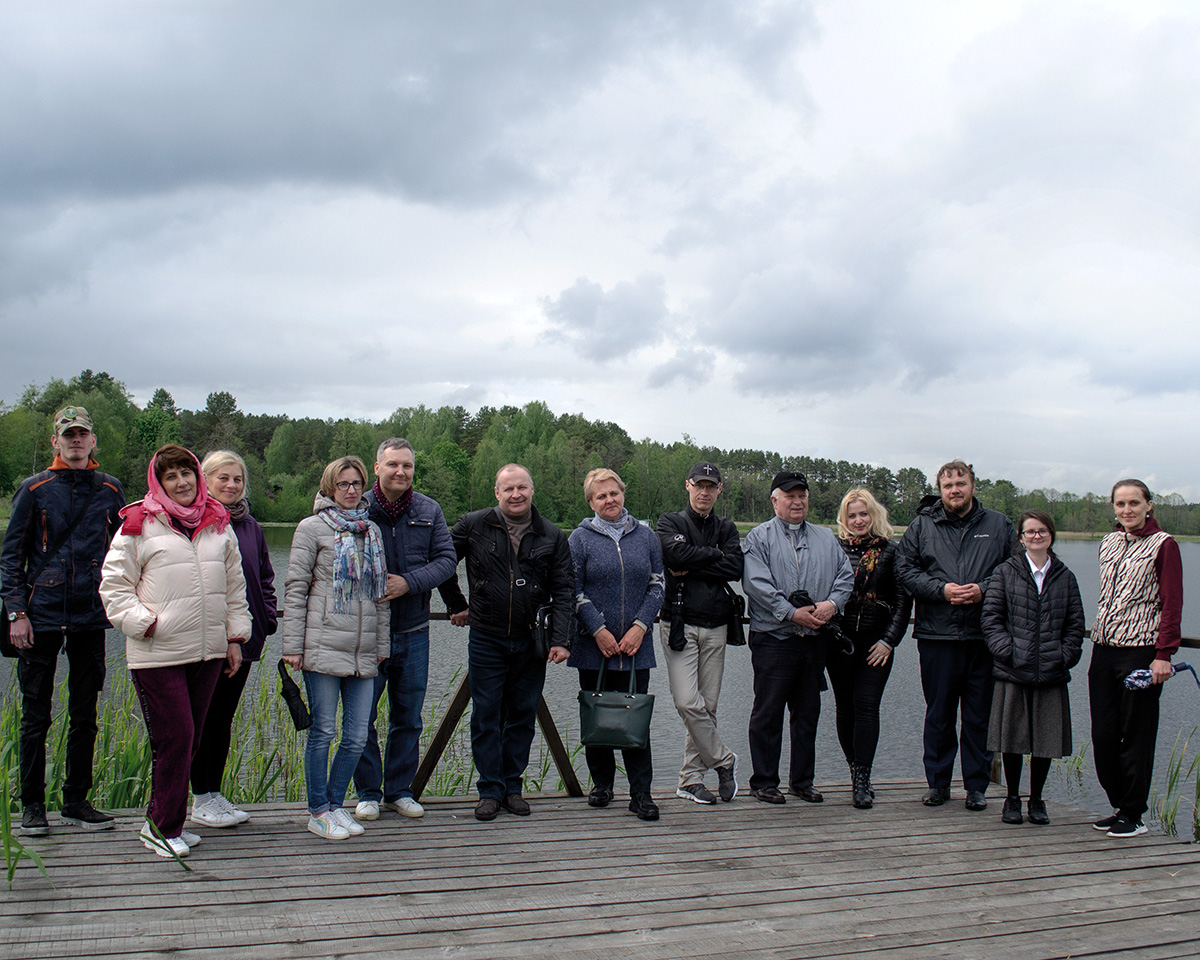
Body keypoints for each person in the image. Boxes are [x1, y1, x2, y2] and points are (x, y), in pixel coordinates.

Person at [100, 444, 250, 857]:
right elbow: (114, 587)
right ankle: (161, 828)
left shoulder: (218, 523)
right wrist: (146, 624)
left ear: (197, 476)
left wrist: (235, 638)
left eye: (187, 473)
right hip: (158, 654)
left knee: (193, 738)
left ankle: (170, 823)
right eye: (171, 476)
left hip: (207, 653)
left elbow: (235, 589)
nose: (182, 482)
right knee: (176, 738)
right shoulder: (138, 523)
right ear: (159, 482)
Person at [2, 406, 125, 837]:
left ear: (93, 441)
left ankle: (76, 799)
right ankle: (32, 805)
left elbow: (122, 556)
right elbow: (11, 558)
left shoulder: (110, 489)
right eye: (68, 435)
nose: (76, 441)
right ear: (56, 441)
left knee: (85, 712)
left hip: (91, 616)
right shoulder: (34, 489)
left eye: (82, 435)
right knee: (35, 716)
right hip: (41, 617)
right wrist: (17, 612)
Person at [438, 464, 572, 822]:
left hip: (533, 640)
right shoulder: (473, 525)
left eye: (522, 488)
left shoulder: (552, 536)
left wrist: (560, 638)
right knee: (485, 716)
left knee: (522, 716)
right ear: (496, 493)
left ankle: (513, 787)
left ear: (532, 491)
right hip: (487, 636)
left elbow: (564, 590)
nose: (516, 495)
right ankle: (489, 790)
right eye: (508, 488)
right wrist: (456, 603)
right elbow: (442, 561)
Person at [895, 460, 1015, 811]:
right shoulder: (922, 525)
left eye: (961, 483)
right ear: (941, 489)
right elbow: (905, 569)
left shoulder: (998, 524)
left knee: (979, 716)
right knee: (939, 714)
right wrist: (940, 590)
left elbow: (1014, 569)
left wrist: (984, 589)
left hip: (984, 635)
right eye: (948, 486)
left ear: (973, 485)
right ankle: (938, 784)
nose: (955, 490)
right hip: (937, 635)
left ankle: (976, 787)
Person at [281, 456, 390, 841]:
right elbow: (295, 589)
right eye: (343, 484)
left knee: (358, 735)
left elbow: (380, 596)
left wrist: (382, 644)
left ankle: (335, 804)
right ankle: (318, 810)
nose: (351, 490)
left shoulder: (371, 531)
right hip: (323, 645)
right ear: (329, 487)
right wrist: (293, 645)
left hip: (363, 651)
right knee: (324, 731)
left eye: (357, 483)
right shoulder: (311, 529)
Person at [352, 439, 457, 823]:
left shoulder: (429, 509)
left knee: (408, 717)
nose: (401, 472)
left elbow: (447, 560)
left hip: (413, 630)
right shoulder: (357, 508)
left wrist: (408, 583)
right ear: (376, 466)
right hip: (365, 634)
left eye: (408, 466)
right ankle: (367, 792)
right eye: (393, 464)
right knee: (362, 718)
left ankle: (399, 790)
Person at [742, 472, 853, 805]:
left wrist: (831, 605)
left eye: (802, 495)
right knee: (768, 713)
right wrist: (791, 612)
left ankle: (803, 781)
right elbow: (756, 584)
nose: (797, 501)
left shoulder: (826, 538)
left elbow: (845, 576)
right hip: (774, 639)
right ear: (774, 500)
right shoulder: (757, 538)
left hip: (814, 640)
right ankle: (763, 781)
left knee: (807, 714)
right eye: (789, 495)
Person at [1088, 479, 1183, 838]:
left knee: (1137, 734)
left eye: (1133, 503)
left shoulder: (1165, 545)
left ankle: (1134, 813)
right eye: (1120, 504)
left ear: (1148, 506)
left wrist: (1164, 655)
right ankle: (1118, 804)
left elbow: (1172, 604)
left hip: (1141, 652)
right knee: (1104, 733)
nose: (1126, 510)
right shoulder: (1109, 542)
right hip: (1104, 649)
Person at [189, 450, 279, 828]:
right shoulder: (195, 522)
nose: (231, 485)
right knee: (201, 720)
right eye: (222, 478)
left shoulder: (250, 526)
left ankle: (213, 793)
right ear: (205, 480)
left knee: (223, 718)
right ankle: (198, 797)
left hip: (246, 640)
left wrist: (268, 617)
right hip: (208, 641)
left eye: (237, 479)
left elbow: (263, 578)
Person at [570, 468, 666, 821]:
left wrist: (640, 627)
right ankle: (602, 784)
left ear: (623, 494)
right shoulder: (579, 539)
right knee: (598, 714)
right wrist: (598, 628)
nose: (609, 500)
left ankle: (641, 794)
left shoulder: (646, 536)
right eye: (601, 496)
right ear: (591, 502)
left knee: (634, 718)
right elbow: (573, 590)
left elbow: (658, 585)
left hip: (636, 646)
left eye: (614, 493)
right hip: (593, 645)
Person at [981, 509, 1084, 827]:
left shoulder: (1065, 577)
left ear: (1051, 535)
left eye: (1042, 531)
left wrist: (1064, 655)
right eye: (1030, 532)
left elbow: (1075, 624)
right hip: (1015, 669)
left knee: (1045, 741)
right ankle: (1012, 798)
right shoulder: (1005, 572)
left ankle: (1036, 799)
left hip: (1051, 671)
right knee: (1011, 739)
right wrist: (1007, 652)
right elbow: (991, 618)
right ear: (1021, 537)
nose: (1036, 536)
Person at [656, 462, 742, 805]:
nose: (704, 492)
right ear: (688, 486)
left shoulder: (727, 527)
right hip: (678, 622)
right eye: (699, 485)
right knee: (687, 702)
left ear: (719, 490)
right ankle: (724, 759)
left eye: (711, 486)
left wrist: (694, 562)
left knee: (708, 706)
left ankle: (691, 779)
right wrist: (713, 557)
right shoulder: (670, 522)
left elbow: (735, 567)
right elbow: (672, 552)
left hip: (717, 624)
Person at [829, 488, 912, 809]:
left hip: (876, 644)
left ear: (873, 515)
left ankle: (862, 779)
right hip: (840, 643)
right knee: (844, 708)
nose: (859, 520)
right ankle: (855, 771)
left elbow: (904, 601)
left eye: (864, 514)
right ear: (844, 520)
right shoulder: (835, 550)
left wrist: (889, 640)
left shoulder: (892, 552)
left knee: (866, 706)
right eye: (852, 515)